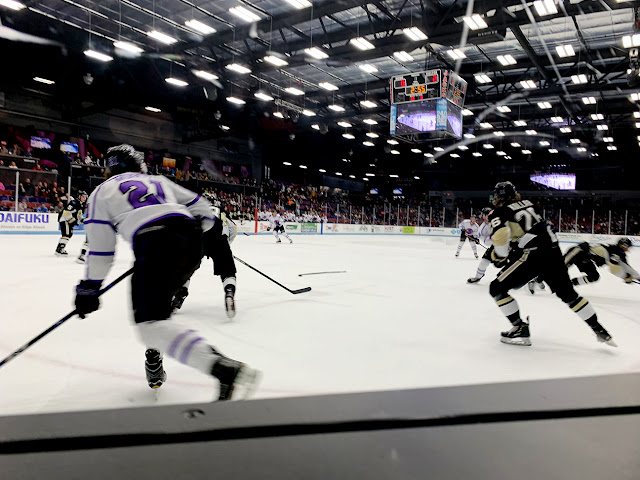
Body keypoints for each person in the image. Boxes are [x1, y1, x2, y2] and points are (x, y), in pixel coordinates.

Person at [73, 144, 258, 400]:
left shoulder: (100, 193)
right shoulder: (157, 181)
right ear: (138, 166)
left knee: (150, 324)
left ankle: (224, 369)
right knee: (157, 314)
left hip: (154, 243)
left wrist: (89, 288)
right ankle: (182, 360)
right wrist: (186, 238)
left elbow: (102, 251)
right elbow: (203, 211)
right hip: (189, 239)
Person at [487, 181, 616, 347]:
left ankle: (519, 327)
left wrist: (500, 256)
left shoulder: (498, 212)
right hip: (553, 252)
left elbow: (502, 235)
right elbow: (534, 229)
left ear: (498, 196)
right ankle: (598, 329)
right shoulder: (529, 204)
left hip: (533, 255)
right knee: (570, 296)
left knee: (496, 288)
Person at [171, 196, 239, 319]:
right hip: (219, 238)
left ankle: (180, 295)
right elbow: (233, 229)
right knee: (228, 271)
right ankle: (229, 293)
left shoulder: (195, 208)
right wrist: (226, 245)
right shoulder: (221, 211)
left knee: (187, 269)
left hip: (199, 237)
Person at [564, 237, 639, 286]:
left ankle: (569, 285)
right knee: (559, 268)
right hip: (578, 251)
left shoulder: (620, 254)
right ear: (623, 246)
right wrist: (625, 277)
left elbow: (626, 267)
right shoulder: (614, 252)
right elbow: (614, 269)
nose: (628, 250)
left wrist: (638, 277)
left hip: (585, 258)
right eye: (627, 247)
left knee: (594, 277)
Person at [54, 191, 87, 256]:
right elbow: (66, 212)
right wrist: (71, 219)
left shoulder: (81, 205)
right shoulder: (73, 203)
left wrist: (82, 220)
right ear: (79, 196)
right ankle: (60, 250)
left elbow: (79, 214)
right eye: (83, 196)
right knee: (67, 234)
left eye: (85, 197)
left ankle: (59, 249)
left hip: (68, 221)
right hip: (65, 220)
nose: (84, 198)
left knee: (69, 234)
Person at [467, 207, 494, 283]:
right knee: (484, 261)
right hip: (496, 246)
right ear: (483, 216)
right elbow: (486, 242)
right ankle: (478, 277)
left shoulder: (498, 220)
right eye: (487, 215)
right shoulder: (482, 228)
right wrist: (493, 237)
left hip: (508, 244)